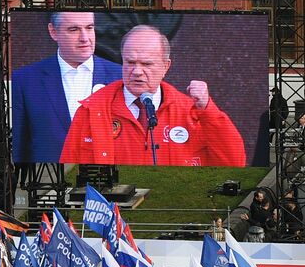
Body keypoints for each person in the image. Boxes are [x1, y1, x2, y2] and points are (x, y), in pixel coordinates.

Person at [60, 25, 246, 166]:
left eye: (147, 64)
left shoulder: (192, 112)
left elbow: (234, 163)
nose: (137, 71)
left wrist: (208, 111)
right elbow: (68, 167)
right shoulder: (91, 110)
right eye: (130, 62)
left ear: (166, 66)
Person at [11, 12, 121, 164]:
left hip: (109, 177)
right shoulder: (25, 80)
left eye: (89, 28)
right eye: (74, 29)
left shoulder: (121, 77)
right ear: (53, 32)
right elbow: (19, 147)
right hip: (46, 181)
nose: (85, 38)